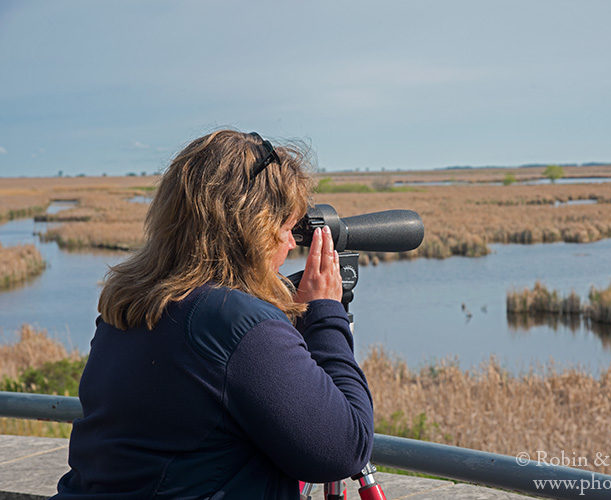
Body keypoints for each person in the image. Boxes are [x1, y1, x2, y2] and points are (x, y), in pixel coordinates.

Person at [53, 130, 374, 499]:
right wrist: (326, 313)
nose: (291, 243)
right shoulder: (237, 324)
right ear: (252, 231)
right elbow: (344, 449)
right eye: (285, 228)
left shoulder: (128, 305)